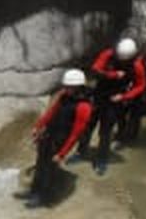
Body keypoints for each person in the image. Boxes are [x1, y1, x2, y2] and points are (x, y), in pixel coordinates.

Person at [17, 68, 92, 208]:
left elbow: (76, 133)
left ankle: (44, 197)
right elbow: (51, 112)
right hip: (49, 135)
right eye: (66, 86)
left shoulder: (84, 106)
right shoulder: (65, 96)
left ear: (78, 87)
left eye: (69, 87)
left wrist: (62, 154)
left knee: (49, 169)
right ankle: (34, 191)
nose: (66, 89)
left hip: (60, 140)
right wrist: (38, 127)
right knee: (40, 164)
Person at [73, 38, 146, 174]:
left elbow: (140, 86)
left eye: (123, 59)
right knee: (87, 126)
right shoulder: (108, 54)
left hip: (115, 101)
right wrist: (113, 75)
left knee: (105, 132)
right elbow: (95, 69)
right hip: (99, 95)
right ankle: (81, 151)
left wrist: (124, 97)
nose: (120, 60)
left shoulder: (136, 66)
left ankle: (101, 159)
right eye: (119, 57)